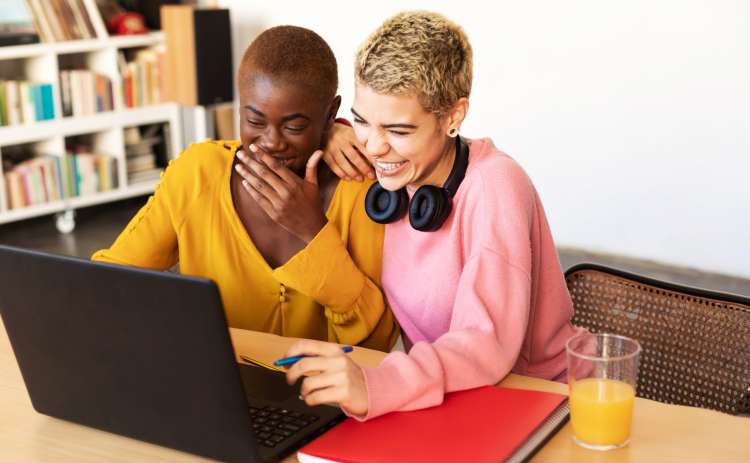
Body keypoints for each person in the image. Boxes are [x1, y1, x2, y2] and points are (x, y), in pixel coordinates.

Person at [283, 11, 585, 419]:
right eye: (361, 120)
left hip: (548, 401)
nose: (373, 147)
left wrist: (377, 384)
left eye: (399, 131)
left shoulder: (495, 185)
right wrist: (332, 131)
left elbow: (485, 342)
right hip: (455, 401)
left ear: (454, 117)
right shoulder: (388, 172)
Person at [93, 26, 400, 351]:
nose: (271, 142)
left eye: (294, 126)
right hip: (215, 384)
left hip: (326, 393)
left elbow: (376, 342)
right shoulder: (197, 173)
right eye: (254, 122)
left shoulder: (361, 188)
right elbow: (111, 281)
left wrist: (314, 233)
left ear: (330, 115)